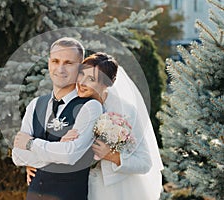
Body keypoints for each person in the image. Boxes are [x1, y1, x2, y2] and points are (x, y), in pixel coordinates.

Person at [25, 52, 164, 199]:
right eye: (81, 75)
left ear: (107, 84)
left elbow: (145, 163)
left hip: (114, 190)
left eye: (91, 79)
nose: (82, 83)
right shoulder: (69, 102)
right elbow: (47, 138)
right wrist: (34, 162)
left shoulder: (125, 112)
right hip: (75, 188)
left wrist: (112, 156)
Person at [12, 37, 102, 200]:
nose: (60, 69)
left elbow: (70, 156)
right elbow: (17, 155)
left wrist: (30, 144)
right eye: (55, 61)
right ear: (49, 63)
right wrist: (56, 150)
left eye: (68, 63)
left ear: (80, 68)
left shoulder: (90, 107)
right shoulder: (35, 104)